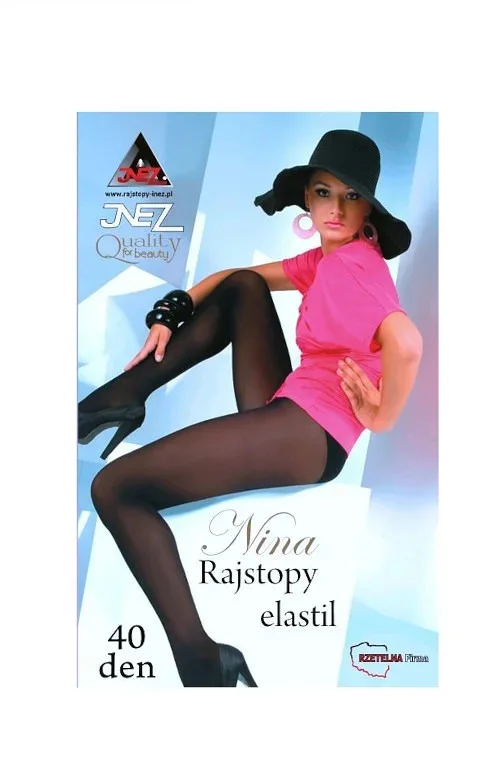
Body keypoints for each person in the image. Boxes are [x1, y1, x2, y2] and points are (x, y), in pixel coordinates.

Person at [78, 129, 423, 688]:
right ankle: (122, 396)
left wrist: (381, 417)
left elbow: (407, 343)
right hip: (290, 408)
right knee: (242, 288)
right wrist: (171, 311)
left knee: (114, 488)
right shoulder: (325, 259)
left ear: (370, 212)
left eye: (352, 197)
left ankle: (200, 658)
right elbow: (237, 280)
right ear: (306, 198)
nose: (335, 209)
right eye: (323, 193)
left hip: (312, 432)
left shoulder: (357, 265)